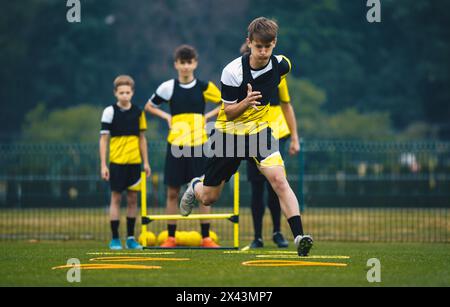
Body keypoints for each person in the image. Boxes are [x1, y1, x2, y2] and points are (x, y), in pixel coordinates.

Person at [179, 17, 313, 256]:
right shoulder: (232, 72)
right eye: (258, 46)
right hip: (228, 136)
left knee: (280, 181)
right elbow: (228, 113)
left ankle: (300, 237)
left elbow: (282, 95)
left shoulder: (283, 65)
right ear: (248, 42)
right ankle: (195, 185)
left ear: (274, 44)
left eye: (268, 46)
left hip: (260, 133)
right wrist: (247, 102)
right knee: (209, 198)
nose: (263, 52)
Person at [145, 45, 222, 248]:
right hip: (176, 145)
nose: (186, 66)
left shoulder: (205, 87)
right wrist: (166, 116)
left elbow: (225, 103)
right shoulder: (168, 87)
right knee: (172, 192)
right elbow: (149, 106)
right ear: (176, 64)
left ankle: (206, 237)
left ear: (195, 63)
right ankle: (171, 237)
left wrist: (208, 116)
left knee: (203, 192)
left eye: (189, 62)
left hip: (199, 145)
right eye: (182, 63)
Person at [239, 43, 300, 248]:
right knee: (256, 187)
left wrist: (294, 137)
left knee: (277, 185)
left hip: (276, 134)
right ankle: (257, 236)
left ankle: (278, 232)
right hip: (252, 134)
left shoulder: (278, 76)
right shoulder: (240, 78)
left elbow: (287, 106)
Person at [100, 75, 151, 250]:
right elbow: (104, 140)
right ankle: (115, 238)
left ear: (132, 92)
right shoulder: (109, 112)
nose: (124, 95)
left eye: (127, 92)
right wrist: (103, 165)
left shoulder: (139, 112)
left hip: (134, 163)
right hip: (116, 163)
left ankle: (130, 238)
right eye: (121, 92)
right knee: (115, 198)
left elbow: (142, 138)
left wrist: (146, 162)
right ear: (115, 93)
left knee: (132, 200)